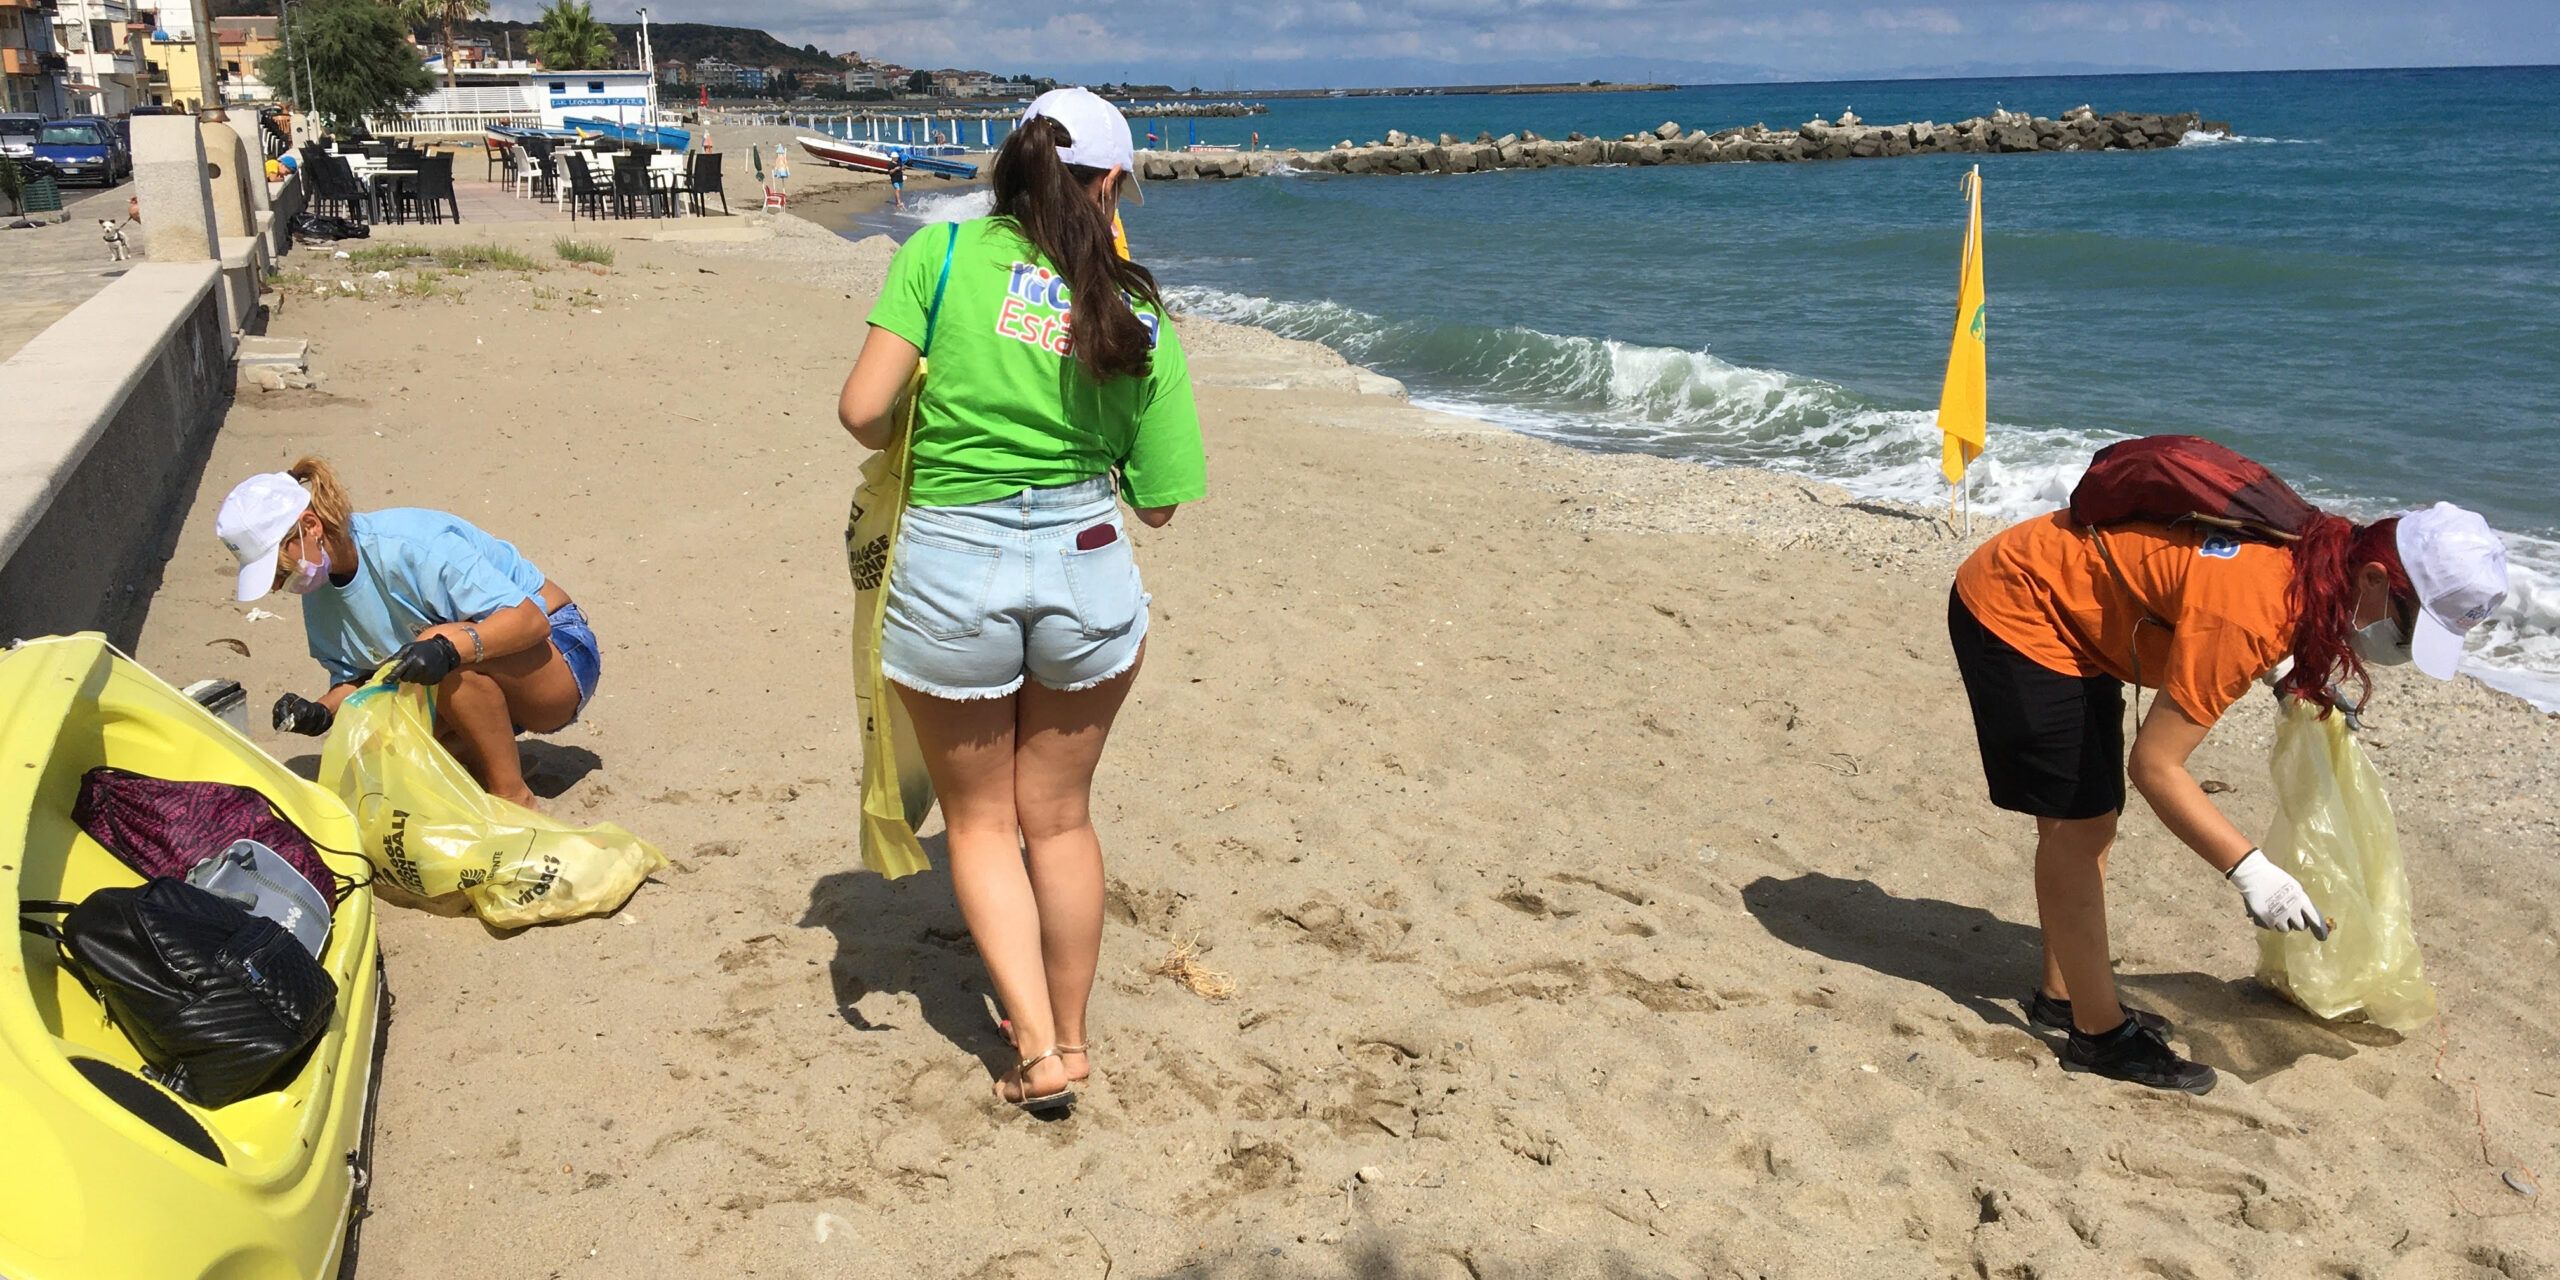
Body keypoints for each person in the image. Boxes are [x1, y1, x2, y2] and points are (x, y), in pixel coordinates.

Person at [836, 87, 1205, 1115]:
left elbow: (862, 409)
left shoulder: (939, 257)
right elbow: (1164, 502)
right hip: (1086, 565)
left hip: (953, 565)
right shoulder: (1136, 304)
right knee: (1061, 818)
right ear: (1111, 185)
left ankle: (1034, 1047)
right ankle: (1075, 1035)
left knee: (984, 825)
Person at [1949, 499, 2509, 1093]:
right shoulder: (2250, 610)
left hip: (2079, 606)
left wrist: (2291, 674)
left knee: (2090, 817)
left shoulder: (2321, 555)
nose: (2403, 644)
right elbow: (2157, 765)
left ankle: (2064, 997)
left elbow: (2222, 595)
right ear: (2373, 578)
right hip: (2019, 608)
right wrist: (2252, 872)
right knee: (2079, 824)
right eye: (2411, 625)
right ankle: (2097, 1037)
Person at [213, 459, 602, 809]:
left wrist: (448, 651)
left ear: (311, 527)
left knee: (440, 645)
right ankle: (486, 764)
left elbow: (532, 621)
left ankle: (513, 799)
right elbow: (365, 680)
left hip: (557, 658)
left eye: (281, 570)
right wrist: (321, 711)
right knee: (375, 755)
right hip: (472, 674)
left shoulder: (409, 543)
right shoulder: (319, 592)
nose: (280, 587)